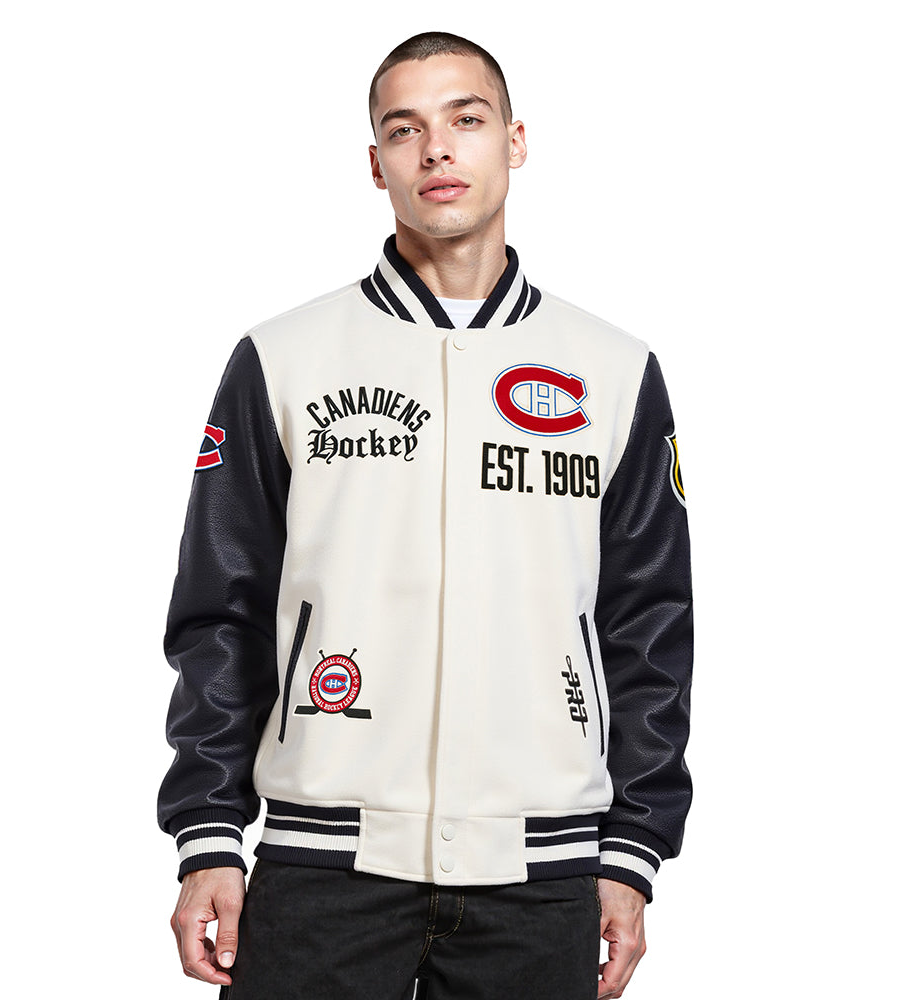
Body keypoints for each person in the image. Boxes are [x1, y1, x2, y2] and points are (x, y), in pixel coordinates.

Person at [159, 31, 692, 1000]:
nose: (436, 148)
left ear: (515, 141)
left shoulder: (612, 371)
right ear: (376, 163)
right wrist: (207, 833)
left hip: (541, 874)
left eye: (466, 119)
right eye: (404, 129)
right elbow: (220, 611)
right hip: (323, 867)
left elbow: (648, 622)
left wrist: (633, 848)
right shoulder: (283, 359)